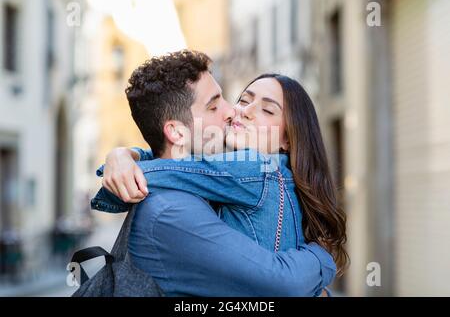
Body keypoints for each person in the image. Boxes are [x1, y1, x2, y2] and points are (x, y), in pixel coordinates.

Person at [92, 50, 336, 296]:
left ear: (288, 139)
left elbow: (182, 169)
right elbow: (284, 282)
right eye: (215, 105)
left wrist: (125, 162)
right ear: (177, 133)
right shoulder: (173, 210)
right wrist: (322, 258)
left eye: (268, 110)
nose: (235, 112)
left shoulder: (252, 169)